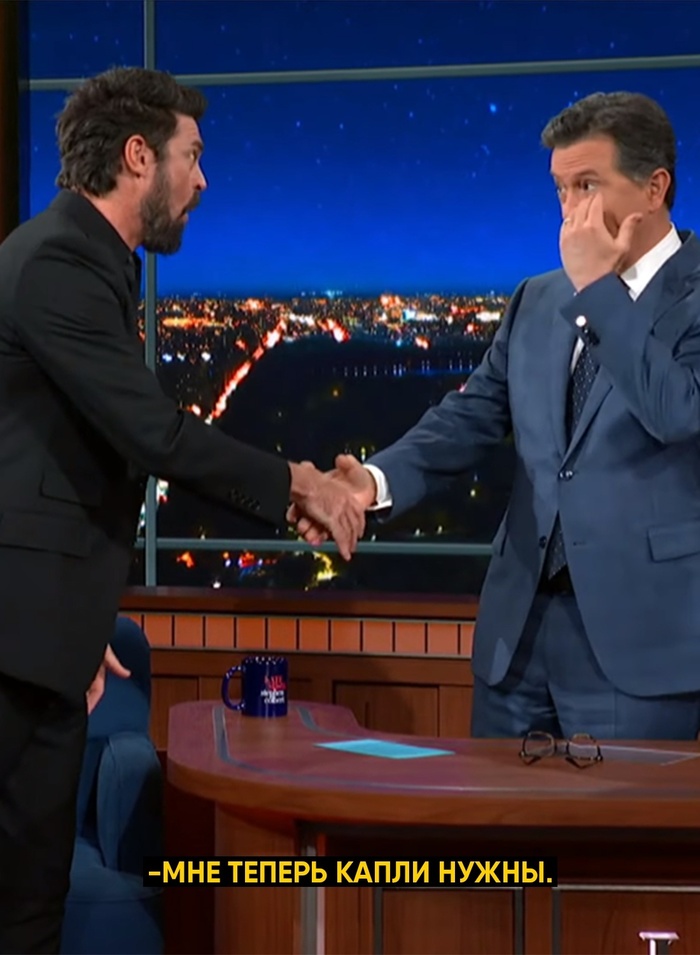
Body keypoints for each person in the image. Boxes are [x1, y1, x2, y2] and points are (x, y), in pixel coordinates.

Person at [0, 66, 363, 954]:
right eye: (192, 156)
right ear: (138, 156)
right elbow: (154, 433)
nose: (203, 180)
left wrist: (69, 619)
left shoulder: (83, 259)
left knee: (28, 896)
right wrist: (301, 486)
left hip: (37, 639)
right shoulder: (57, 263)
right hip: (14, 651)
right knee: (22, 906)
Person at [295, 91, 700, 744]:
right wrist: (370, 483)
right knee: (498, 809)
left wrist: (599, 291)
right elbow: (470, 416)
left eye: (588, 185)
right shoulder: (537, 298)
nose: (570, 210)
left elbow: (677, 411)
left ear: (655, 188)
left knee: (617, 814)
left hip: (642, 645)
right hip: (517, 640)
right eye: (561, 189)